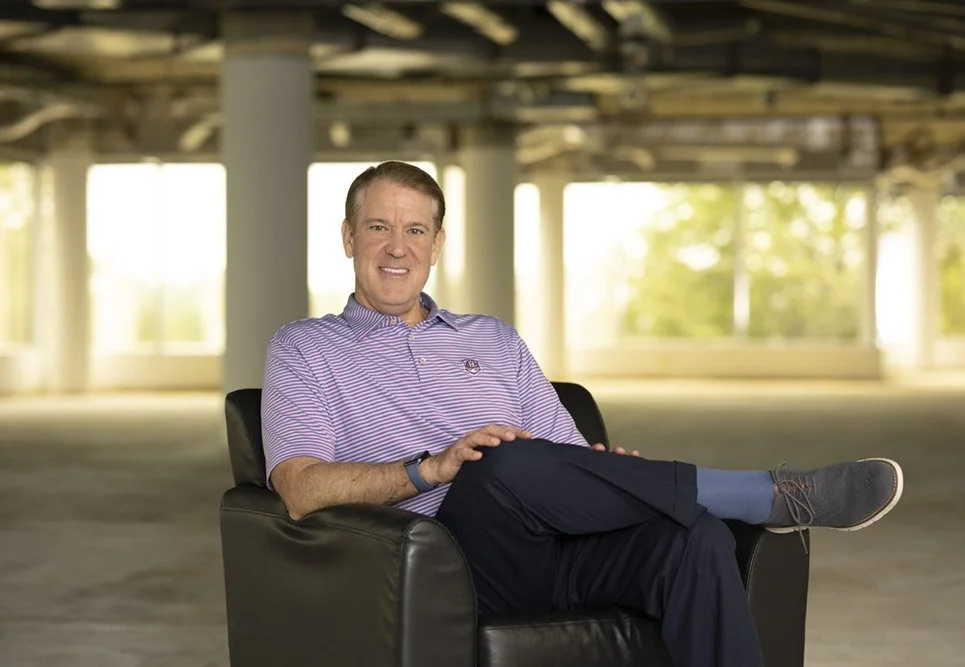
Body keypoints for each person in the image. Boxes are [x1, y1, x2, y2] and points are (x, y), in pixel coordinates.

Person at [261, 161, 903, 667]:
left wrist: (606, 477)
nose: (397, 247)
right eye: (378, 227)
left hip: (555, 552)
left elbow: (560, 454)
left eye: (415, 230)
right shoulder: (304, 350)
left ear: (437, 244)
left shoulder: (493, 338)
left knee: (695, 536)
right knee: (495, 461)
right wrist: (431, 468)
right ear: (349, 237)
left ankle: (723, 498)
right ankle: (767, 494)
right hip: (444, 563)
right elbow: (298, 487)